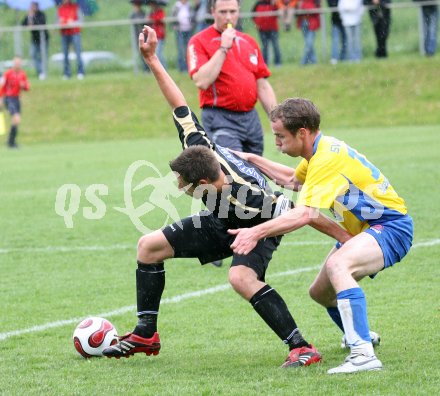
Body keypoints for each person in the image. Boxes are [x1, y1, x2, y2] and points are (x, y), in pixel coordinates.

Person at [102, 25, 353, 367]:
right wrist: (151, 59)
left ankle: (301, 347)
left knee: (240, 277)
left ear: (205, 182)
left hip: (260, 226)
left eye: (186, 186)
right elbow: (178, 101)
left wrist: (344, 239)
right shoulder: (198, 146)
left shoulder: (248, 197)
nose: (180, 188)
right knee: (148, 246)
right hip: (220, 220)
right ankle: (146, 334)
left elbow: (301, 213)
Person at [228, 98, 413, 374]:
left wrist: (256, 231)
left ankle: (362, 353)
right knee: (321, 293)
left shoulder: (325, 158)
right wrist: (250, 159)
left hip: (390, 226)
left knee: (338, 265)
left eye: (280, 136)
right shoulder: (319, 151)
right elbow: (293, 180)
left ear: (302, 132)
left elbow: (304, 214)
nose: (276, 142)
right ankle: (359, 334)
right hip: (364, 229)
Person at [188, 0, 276, 157]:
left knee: (255, 172)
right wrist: (223, 47)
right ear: (213, 11)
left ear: (238, 11)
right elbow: (202, 81)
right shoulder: (199, 41)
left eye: (232, 11)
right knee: (234, 170)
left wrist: (276, 118)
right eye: (223, 12)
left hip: (250, 117)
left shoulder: (249, 41)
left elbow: (262, 84)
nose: (228, 17)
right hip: (220, 118)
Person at [0, 56, 30, 149]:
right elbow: (2, 86)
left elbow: (27, 87)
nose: (17, 64)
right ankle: (11, 142)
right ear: (13, 63)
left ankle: (11, 142)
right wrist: (1, 98)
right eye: (16, 62)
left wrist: (24, 85)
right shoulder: (8, 73)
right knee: (16, 119)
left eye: (19, 63)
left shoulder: (22, 74)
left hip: (17, 99)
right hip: (9, 98)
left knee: (15, 121)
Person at [21, 1, 50, 80]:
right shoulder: (29, 15)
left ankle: (44, 72)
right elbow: (23, 24)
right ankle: (40, 71)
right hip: (34, 39)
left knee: (43, 56)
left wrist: (33, 18)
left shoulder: (41, 14)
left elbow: (41, 22)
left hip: (43, 39)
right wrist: (29, 17)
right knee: (33, 54)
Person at [57, 0, 85, 79]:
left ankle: (80, 71)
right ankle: (66, 73)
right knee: (65, 54)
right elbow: (56, 22)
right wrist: (60, 22)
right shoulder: (60, 9)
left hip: (75, 33)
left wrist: (73, 22)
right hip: (64, 33)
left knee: (78, 52)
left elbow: (81, 20)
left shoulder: (75, 7)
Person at [252, 0, 282, 67]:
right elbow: (253, 15)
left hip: (273, 28)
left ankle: (278, 63)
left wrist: (275, 5)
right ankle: (265, 63)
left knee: (275, 46)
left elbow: (279, 13)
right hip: (262, 29)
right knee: (265, 47)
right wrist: (257, 24)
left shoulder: (274, 3)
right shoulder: (259, 3)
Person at [296, 0, 321, 65]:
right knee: (309, 44)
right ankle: (314, 61)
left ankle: (303, 62)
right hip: (303, 21)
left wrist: (310, 9)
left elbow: (318, 6)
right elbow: (297, 7)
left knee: (309, 44)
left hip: (312, 21)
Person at [172, 0, 194, 72]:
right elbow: (173, 17)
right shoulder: (176, 6)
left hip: (189, 30)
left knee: (189, 49)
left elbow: (193, 16)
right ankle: (182, 68)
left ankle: (189, 67)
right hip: (180, 30)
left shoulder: (189, 6)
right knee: (181, 49)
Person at [130, 0, 149, 72]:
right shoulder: (133, 15)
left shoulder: (143, 13)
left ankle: (148, 69)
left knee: (146, 53)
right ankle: (145, 69)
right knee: (140, 53)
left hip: (144, 36)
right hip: (137, 36)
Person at [327, 0, 347, 64]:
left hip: (347, 20)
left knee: (345, 40)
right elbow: (331, 5)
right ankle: (334, 58)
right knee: (335, 40)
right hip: (336, 20)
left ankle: (344, 58)